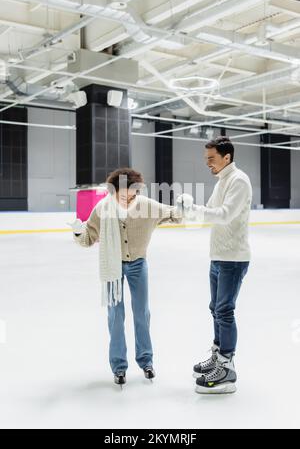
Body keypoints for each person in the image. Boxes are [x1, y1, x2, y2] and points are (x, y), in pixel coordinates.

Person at [69, 168, 182, 387]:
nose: (129, 199)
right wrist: (77, 231)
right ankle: (119, 366)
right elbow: (87, 239)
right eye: (124, 195)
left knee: (142, 313)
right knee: (115, 315)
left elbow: (173, 214)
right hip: (113, 265)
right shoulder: (102, 209)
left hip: (138, 264)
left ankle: (146, 361)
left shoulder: (147, 206)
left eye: (133, 194)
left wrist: (184, 206)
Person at [180, 137, 252, 394]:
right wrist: (187, 210)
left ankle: (227, 366)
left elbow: (225, 214)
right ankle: (218, 354)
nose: (208, 164)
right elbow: (210, 209)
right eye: (206, 159)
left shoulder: (239, 181)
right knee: (215, 308)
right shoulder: (223, 180)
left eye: (211, 158)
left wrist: (196, 208)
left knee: (224, 310)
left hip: (233, 257)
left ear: (227, 157)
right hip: (219, 256)